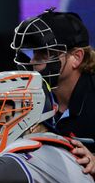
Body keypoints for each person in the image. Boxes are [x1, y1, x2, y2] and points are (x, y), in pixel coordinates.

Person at [12, 8, 95, 141]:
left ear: (77, 57)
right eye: (34, 53)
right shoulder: (33, 99)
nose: (33, 61)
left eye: (45, 53)